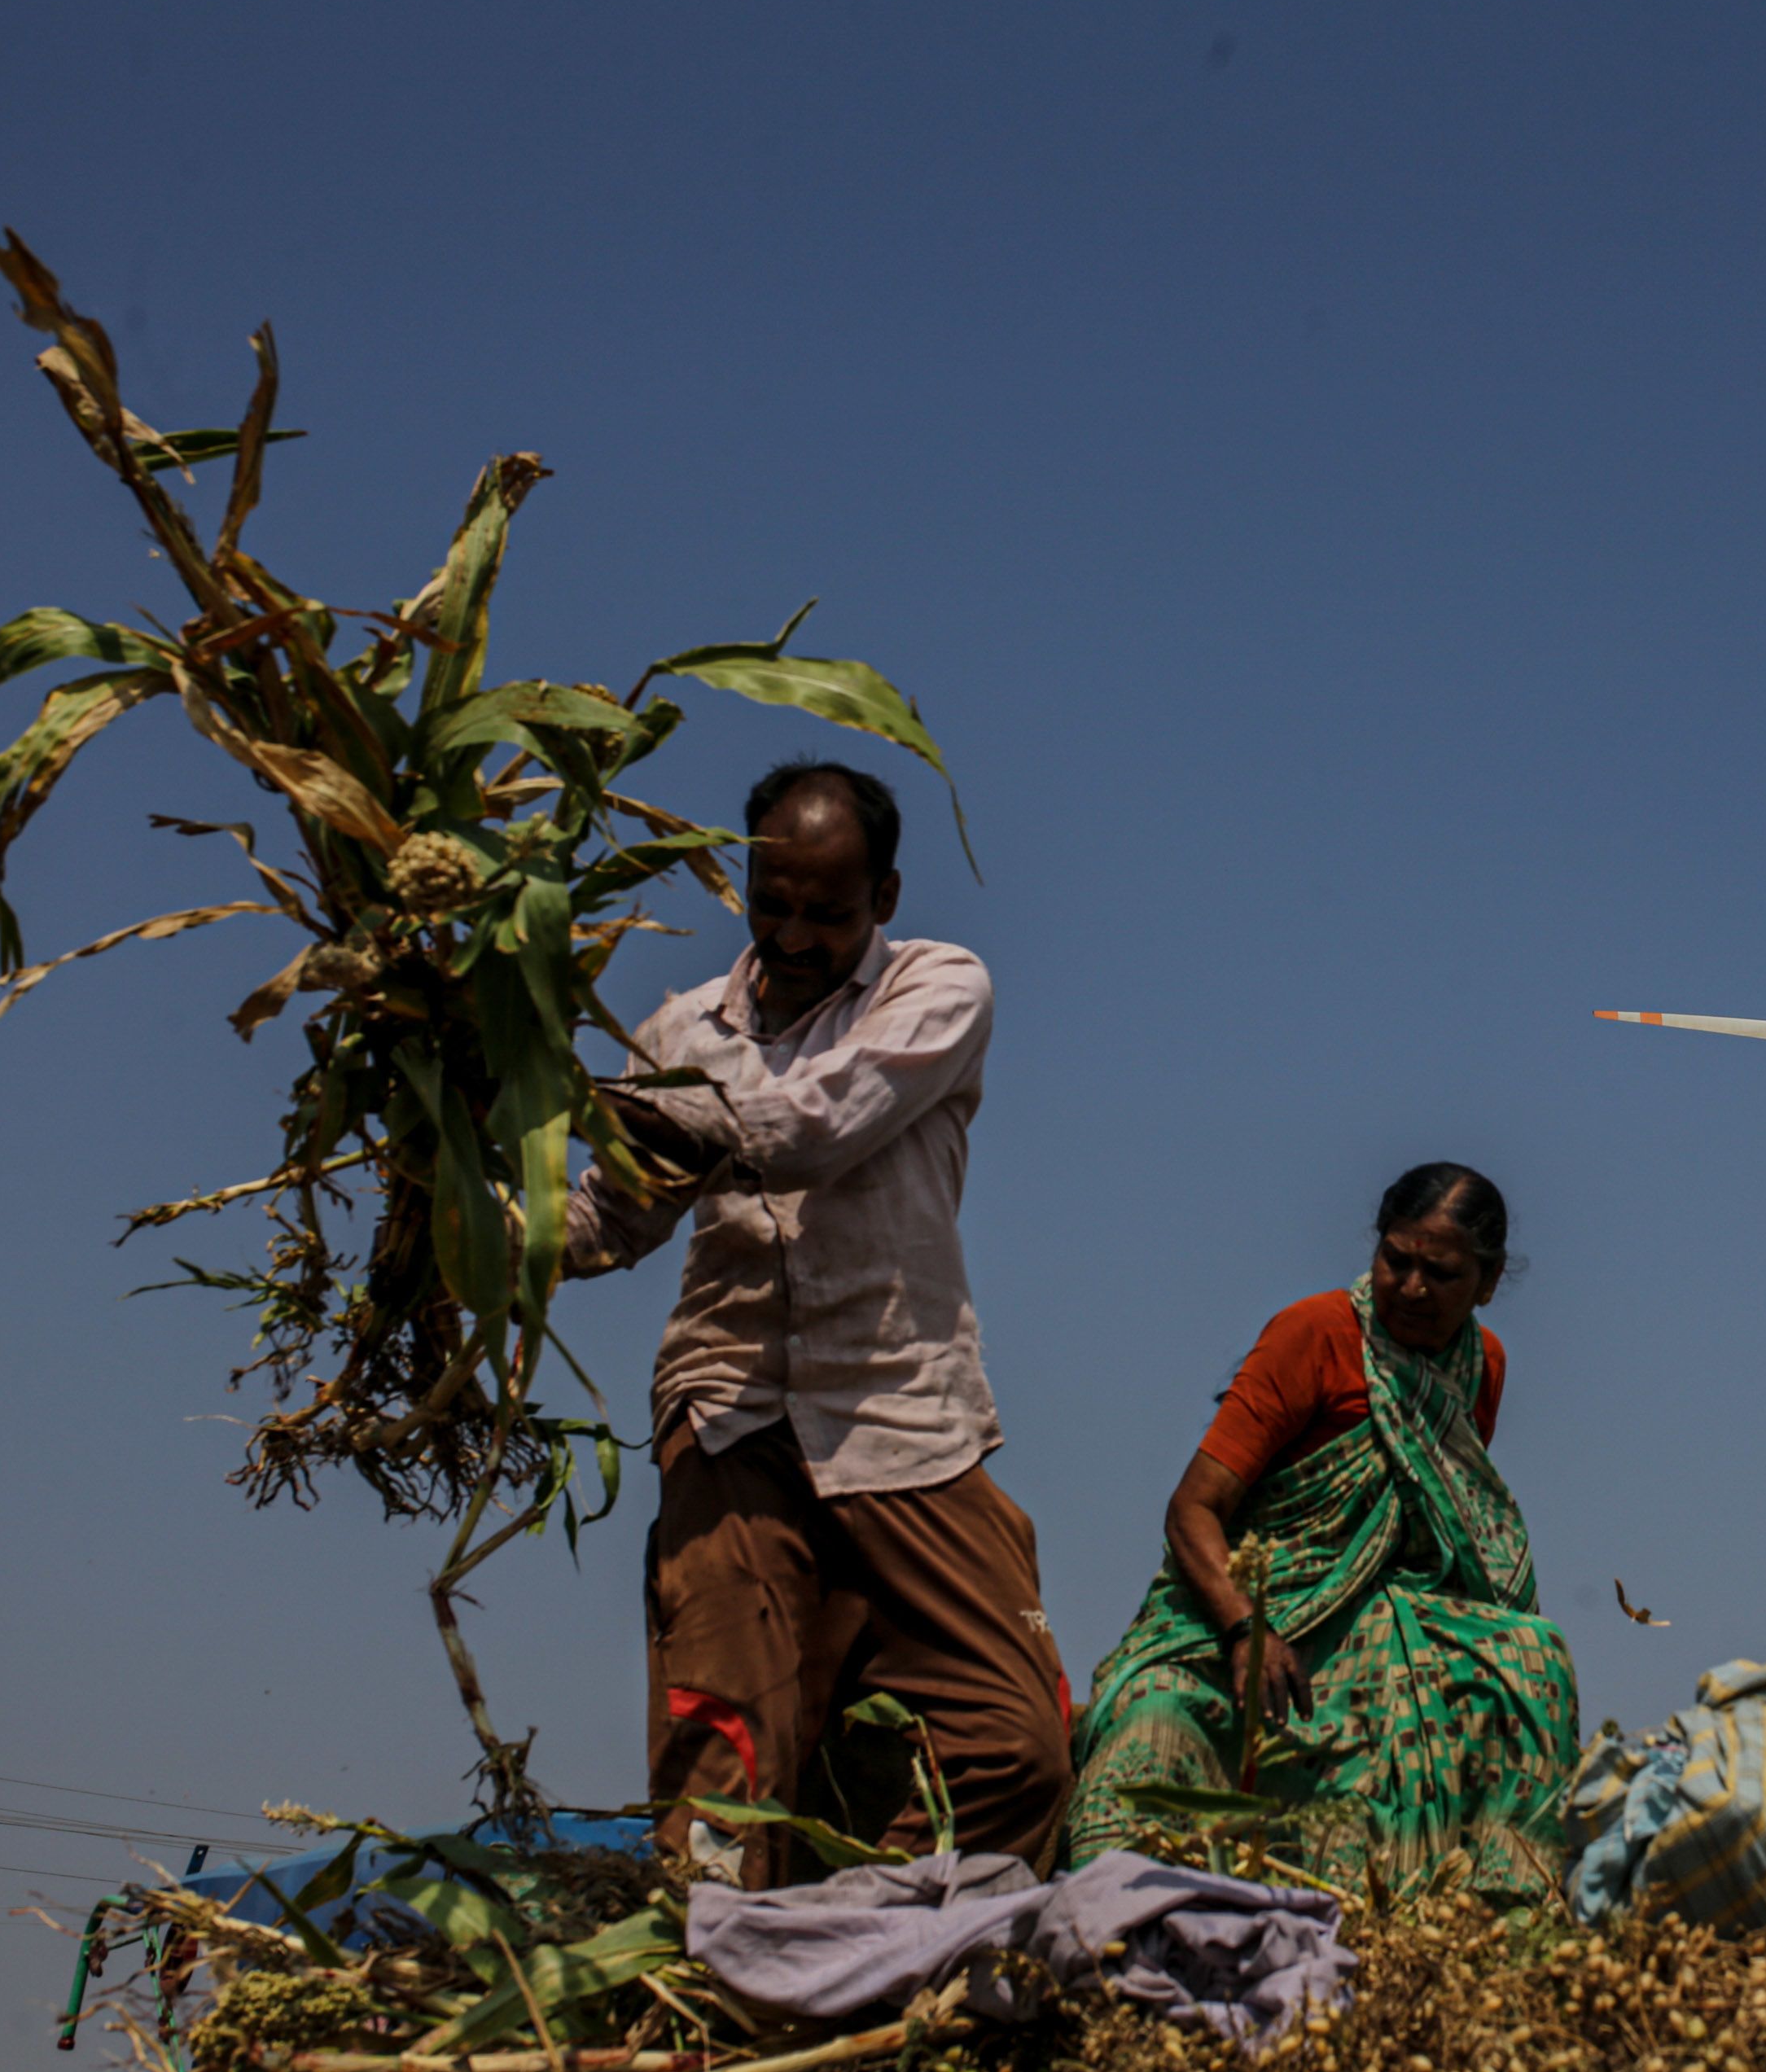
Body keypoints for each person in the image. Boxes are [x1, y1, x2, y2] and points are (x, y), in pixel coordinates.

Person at [562, 759, 1071, 1881]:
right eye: (771, 903)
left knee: (1019, 1750)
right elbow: (611, 1220)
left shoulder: (938, 989)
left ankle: (861, 1942)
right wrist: (470, 1225)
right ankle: (732, 1988)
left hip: (901, 1413)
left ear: (883, 897)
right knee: (722, 1784)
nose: (793, 934)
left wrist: (605, 1097)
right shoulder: (682, 1025)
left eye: (826, 912)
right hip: (730, 1405)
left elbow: (811, 1125)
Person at [1065, 1164, 1580, 1900]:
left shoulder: (1479, 1366)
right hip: (1238, 1617)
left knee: (1534, 1660)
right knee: (1157, 1723)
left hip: (1376, 1620)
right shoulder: (1313, 1333)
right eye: (1395, 1260)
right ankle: (1120, 1918)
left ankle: (1491, 1911)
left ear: (1488, 1282)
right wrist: (1249, 1626)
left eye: (1441, 1272)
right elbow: (1193, 1509)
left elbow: (1430, 1528)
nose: (1411, 1287)